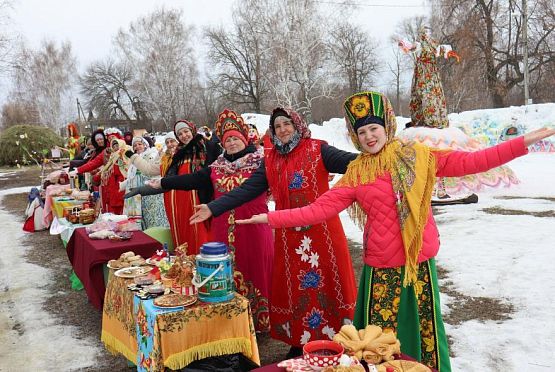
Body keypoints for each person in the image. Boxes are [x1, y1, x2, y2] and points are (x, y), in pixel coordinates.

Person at [235, 91, 555, 372]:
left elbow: (473, 161)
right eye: (362, 132)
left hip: (418, 268)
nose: (370, 137)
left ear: (386, 127)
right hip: (381, 269)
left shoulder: (417, 157)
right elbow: (320, 208)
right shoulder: (358, 171)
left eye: (374, 128)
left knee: (425, 333)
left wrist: (521, 143)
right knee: (379, 340)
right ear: (355, 137)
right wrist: (269, 219)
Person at [189, 107, 358, 358]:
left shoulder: (319, 149)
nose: (283, 130)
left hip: (322, 234)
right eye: (277, 126)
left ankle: (339, 338)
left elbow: (353, 163)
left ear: (297, 124)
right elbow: (246, 190)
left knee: (327, 285)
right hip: (289, 234)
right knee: (296, 287)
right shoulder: (271, 159)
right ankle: (301, 341)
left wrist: (382, 157)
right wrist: (214, 207)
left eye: (287, 124)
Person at [146, 109, 274, 332]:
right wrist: (165, 183)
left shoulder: (262, 162)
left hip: (254, 227)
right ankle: (230, 319)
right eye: (227, 140)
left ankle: (259, 321)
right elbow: (193, 179)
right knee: (223, 273)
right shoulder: (217, 166)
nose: (232, 143)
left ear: (244, 139)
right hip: (222, 229)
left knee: (258, 270)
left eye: (235, 138)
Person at [162, 120, 221, 253]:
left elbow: (212, 172)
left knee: (200, 232)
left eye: (186, 131)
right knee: (185, 232)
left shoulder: (207, 146)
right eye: (180, 134)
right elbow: (170, 176)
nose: (184, 135)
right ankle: (185, 266)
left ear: (192, 131)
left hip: (199, 199)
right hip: (180, 203)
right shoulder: (178, 153)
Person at [75, 128, 127, 214]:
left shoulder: (126, 151)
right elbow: (93, 163)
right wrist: (78, 170)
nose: (112, 141)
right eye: (109, 139)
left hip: (123, 185)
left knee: (123, 209)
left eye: (113, 138)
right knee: (110, 208)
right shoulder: (106, 152)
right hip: (109, 186)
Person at [121, 136, 169, 229]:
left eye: (140, 144)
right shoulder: (133, 160)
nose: (137, 147)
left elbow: (150, 171)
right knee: (142, 216)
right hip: (139, 192)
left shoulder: (150, 155)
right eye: (135, 145)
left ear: (145, 145)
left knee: (152, 215)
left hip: (151, 191)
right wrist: (123, 185)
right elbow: (132, 177)